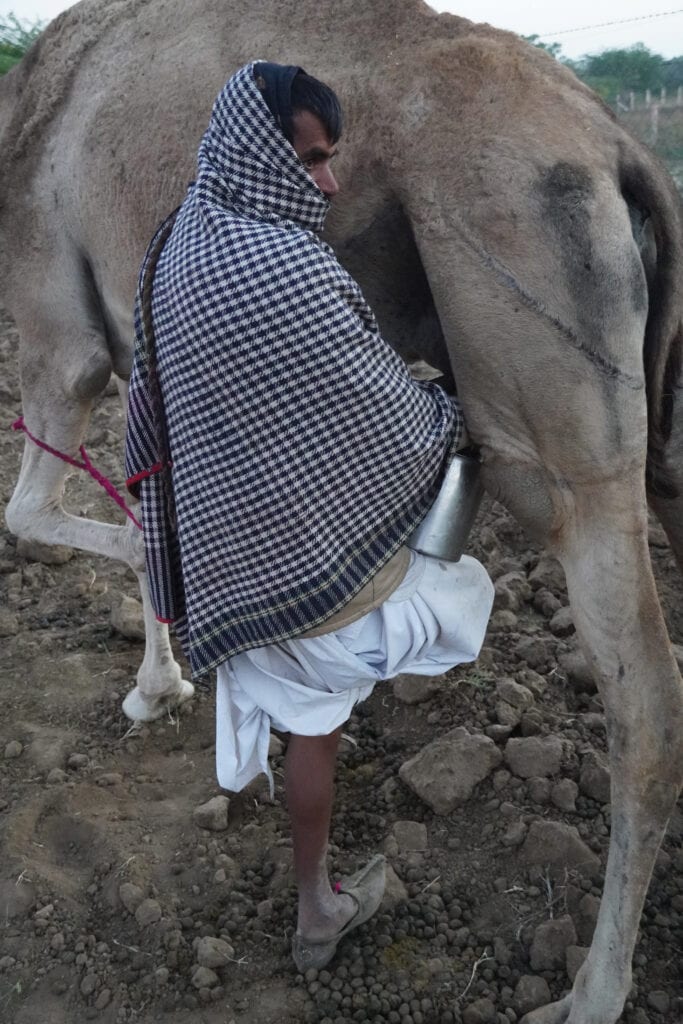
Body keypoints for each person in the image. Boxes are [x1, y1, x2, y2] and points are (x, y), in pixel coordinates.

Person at [125, 61, 493, 971]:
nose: (328, 184)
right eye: (314, 161)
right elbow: (378, 411)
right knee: (377, 658)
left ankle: (313, 896)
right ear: (262, 152)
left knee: (306, 714)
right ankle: (315, 910)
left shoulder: (178, 241)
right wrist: (451, 416)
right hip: (297, 575)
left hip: (227, 555)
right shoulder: (284, 264)